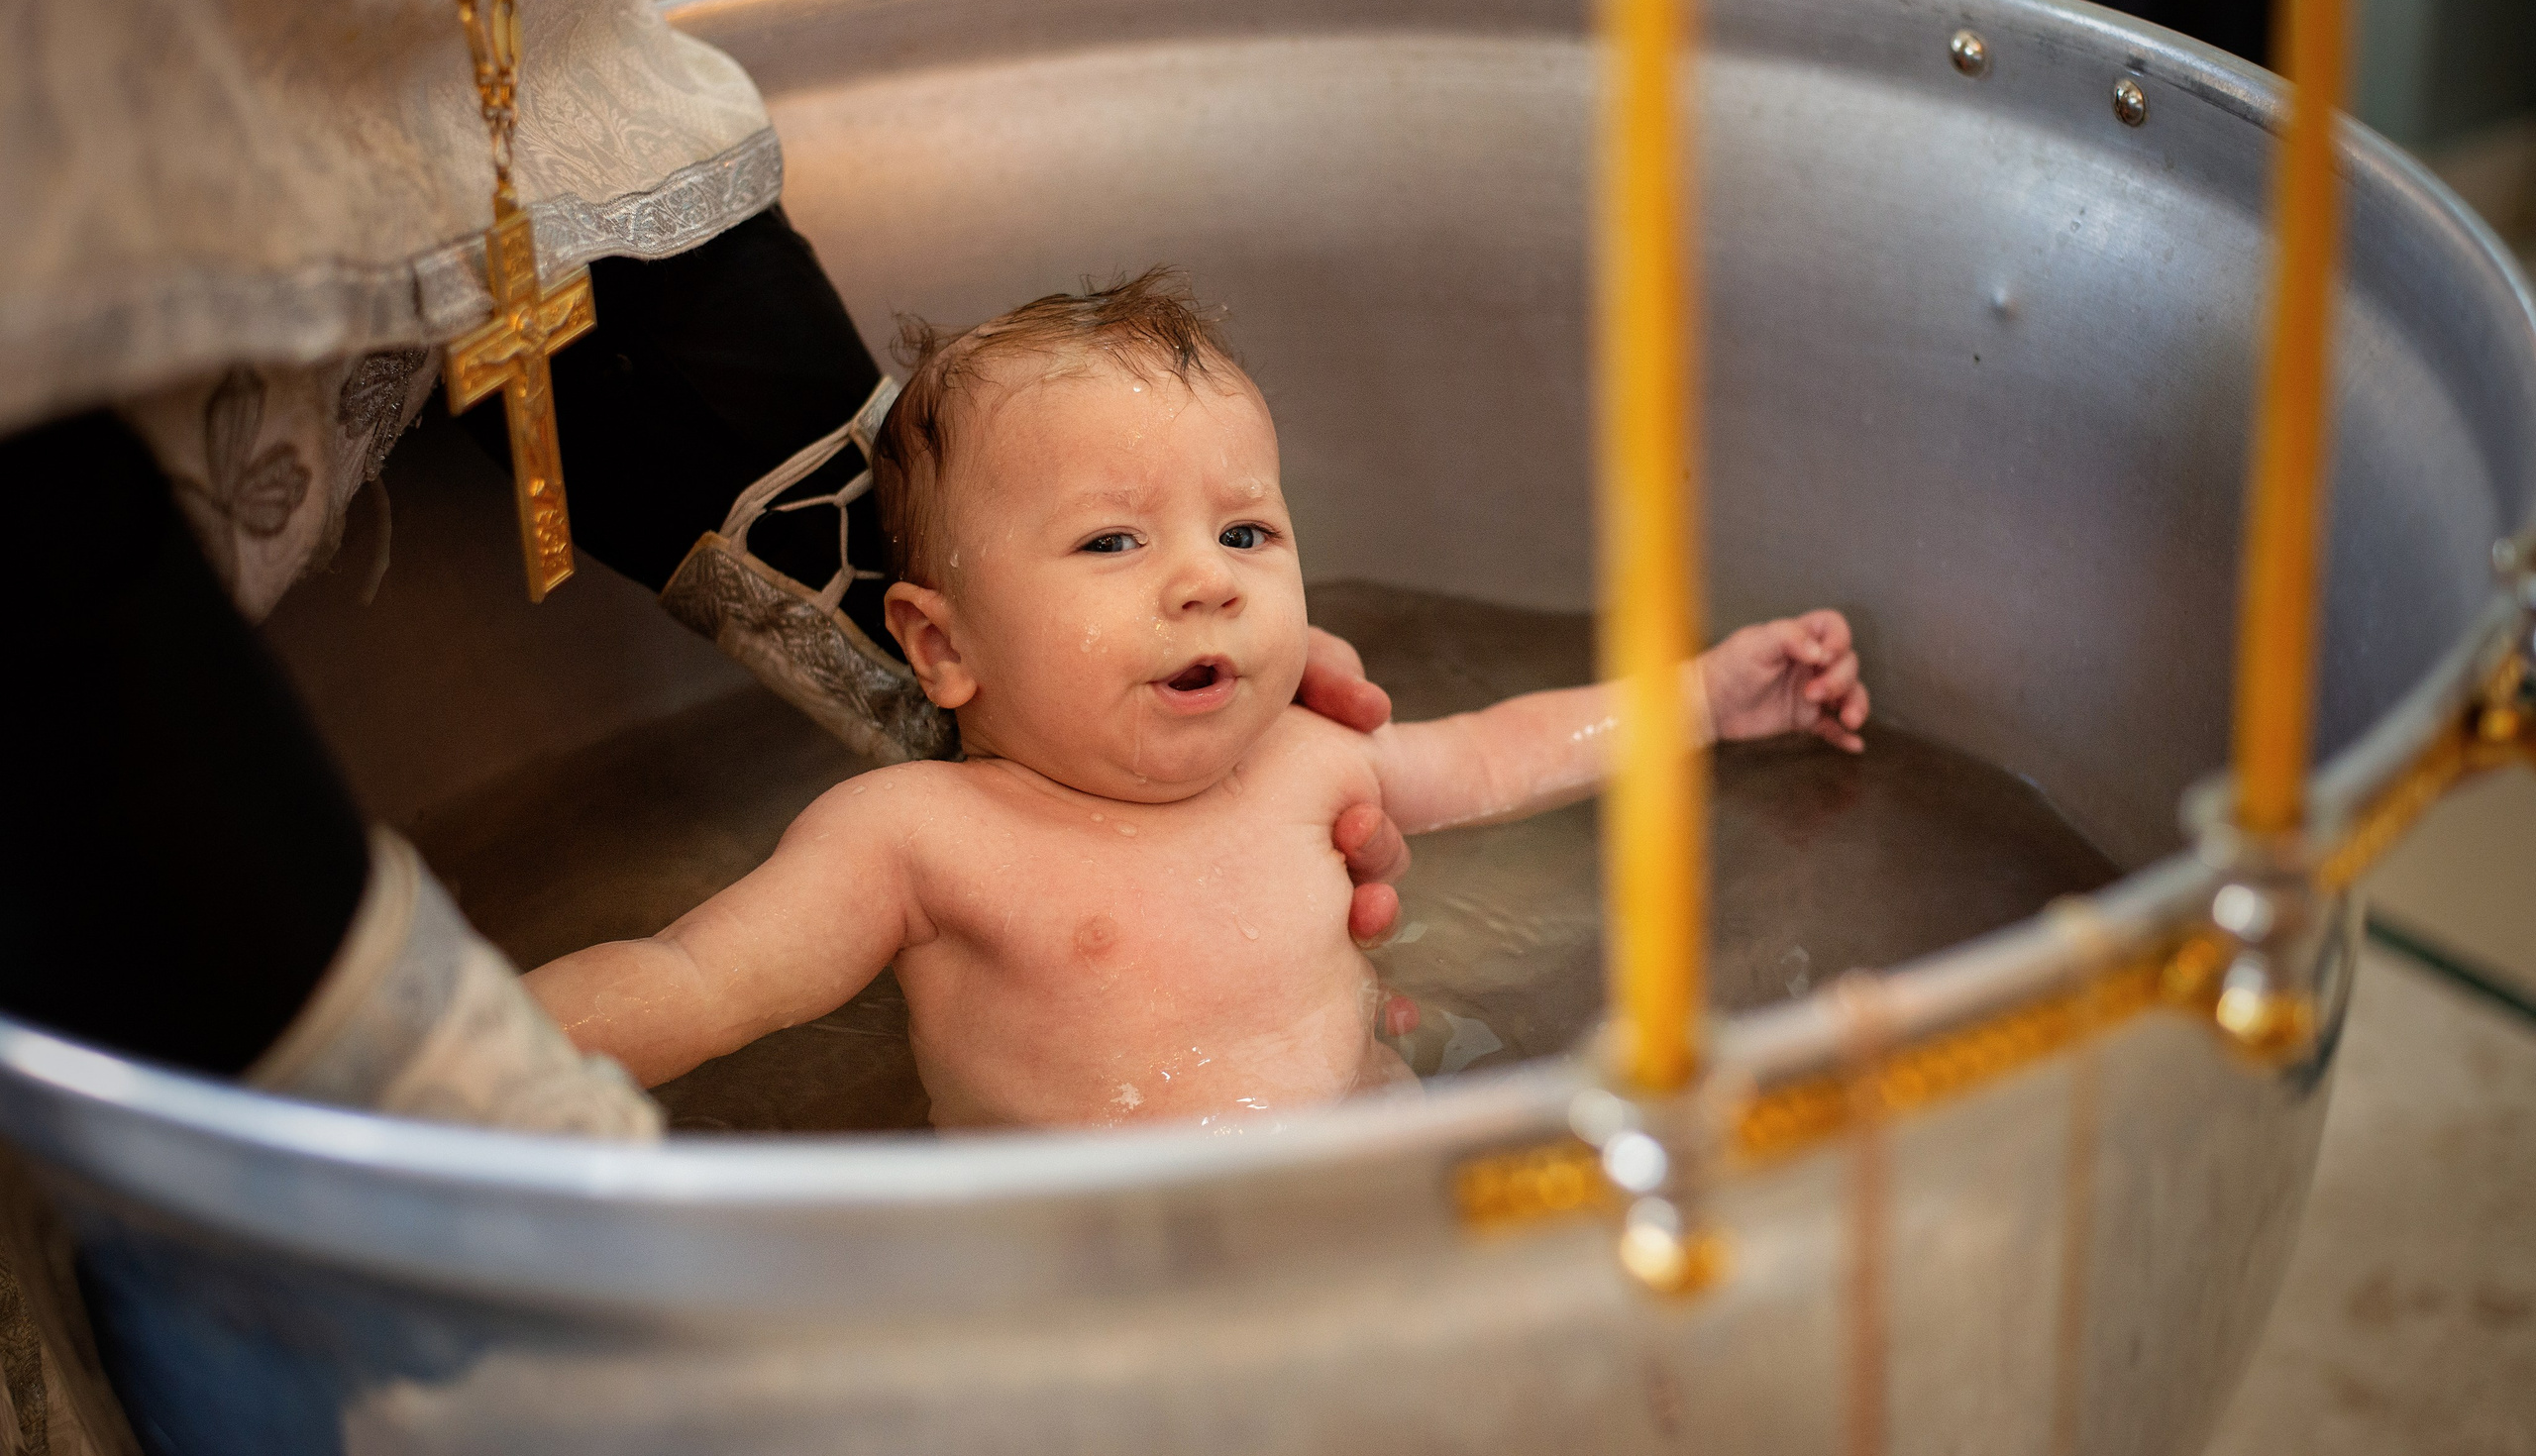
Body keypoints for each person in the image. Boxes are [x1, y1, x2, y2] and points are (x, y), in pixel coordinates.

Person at [525, 271, 1869, 1128]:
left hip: (1369, 1208)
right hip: (1091, 1291)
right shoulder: (913, 837)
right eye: (1113, 542)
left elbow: (1505, 754)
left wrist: (1707, 696)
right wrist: (427, 1070)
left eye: (1246, 535)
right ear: (940, 646)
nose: (1204, 585)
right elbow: (694, 981)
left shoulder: (1303, 763)